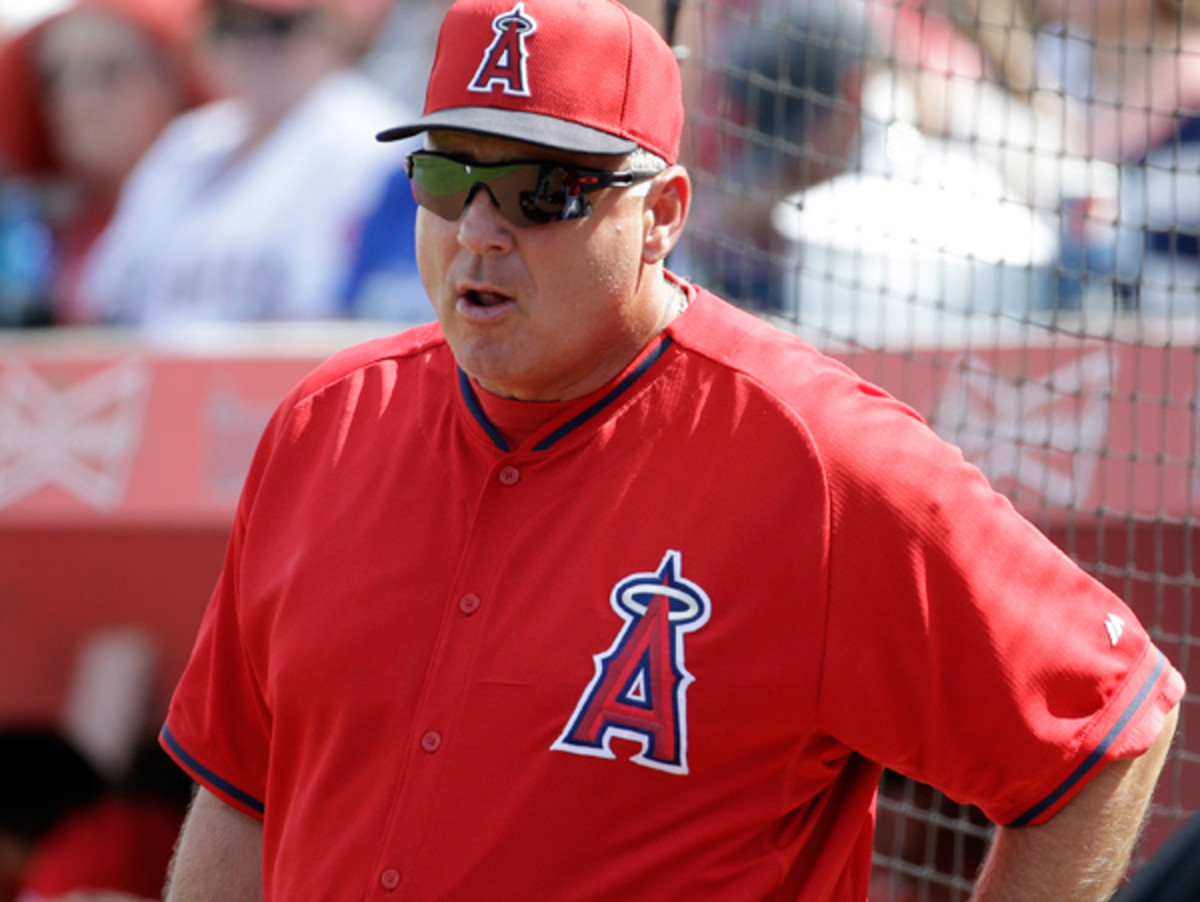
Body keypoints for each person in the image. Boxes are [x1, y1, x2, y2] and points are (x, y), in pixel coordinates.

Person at [158, 1, 1184, 898]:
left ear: (661, 215)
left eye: (540, 191)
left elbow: (1104, 728)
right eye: (448, 174)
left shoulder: (821, 462)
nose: (479, 228)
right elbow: (243, 793)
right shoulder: (323, 427)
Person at [79, 0, 425, 327]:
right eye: (229, 26)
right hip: (163, 379)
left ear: (332, 29)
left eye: (275, 28)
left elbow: (342, 315)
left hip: (286, 381)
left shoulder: (373, 140)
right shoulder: (188, 143)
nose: (250, 47)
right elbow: (107, 301)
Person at [0, 0, 207, 325]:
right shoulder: (33, 229)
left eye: (108, 72)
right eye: (55, 78)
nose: (79, 99)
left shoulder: (220, 216)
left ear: (175, 78)